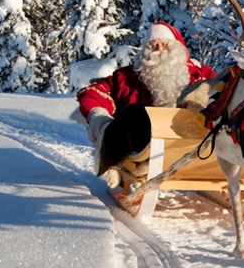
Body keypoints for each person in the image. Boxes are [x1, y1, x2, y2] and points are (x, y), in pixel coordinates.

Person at [75, 22, 215, 187]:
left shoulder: (200, 74)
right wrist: (100, 117)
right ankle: (121, 158)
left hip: (194, 141)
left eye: (164, 44)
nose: (159, 49)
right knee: (137, 113)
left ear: (177, 49)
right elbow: (92, 92)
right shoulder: (127, 77)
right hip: (145, 143)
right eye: (153, 45)